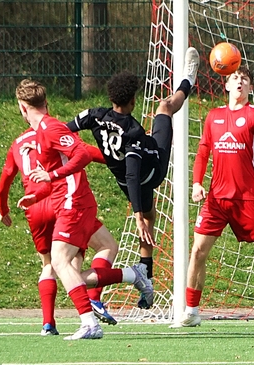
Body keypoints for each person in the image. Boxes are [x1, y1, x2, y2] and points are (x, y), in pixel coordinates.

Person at [16, 79, 154, 341]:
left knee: (60, 261)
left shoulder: (50, 128)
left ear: (22, 107)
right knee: (89, 257)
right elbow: (58, 174)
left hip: (73, 203)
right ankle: (132, 274)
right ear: (45, 102)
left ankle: (89, 322)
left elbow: (82, 154)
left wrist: (51, 175)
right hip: (69, 201)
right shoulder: (42, 133)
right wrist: (37, 195)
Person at [67, 47, 199, 309]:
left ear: (111, 97)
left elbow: (65, 129)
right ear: (132, 103)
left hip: (126, 184)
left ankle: (146, 276)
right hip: (152, 170)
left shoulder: (94, 115)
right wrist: (136, 215)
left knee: (150, 218)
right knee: (165, 107)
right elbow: (132, 171)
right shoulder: (133, 132)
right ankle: (189, 79)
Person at [177, 67, 254, 327]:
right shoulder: (214, 116)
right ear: (226, 86)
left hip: (247, 199)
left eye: (244, 79)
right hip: (216, 200)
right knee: (198, 251)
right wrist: (197, 183)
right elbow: (203, 152)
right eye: (234, 78)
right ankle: (191, 311)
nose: (239, 81)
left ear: (250, 88)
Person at [0, 128, 115, 335]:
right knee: (94, 250)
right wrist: (119, 161)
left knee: (49, 264)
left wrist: (3, 209)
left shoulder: (17, 143)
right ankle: (94, 299)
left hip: (35, 206)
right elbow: (86, 152)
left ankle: (48, 323)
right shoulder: (56, 133)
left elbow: (5, 178)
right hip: (62, 200)